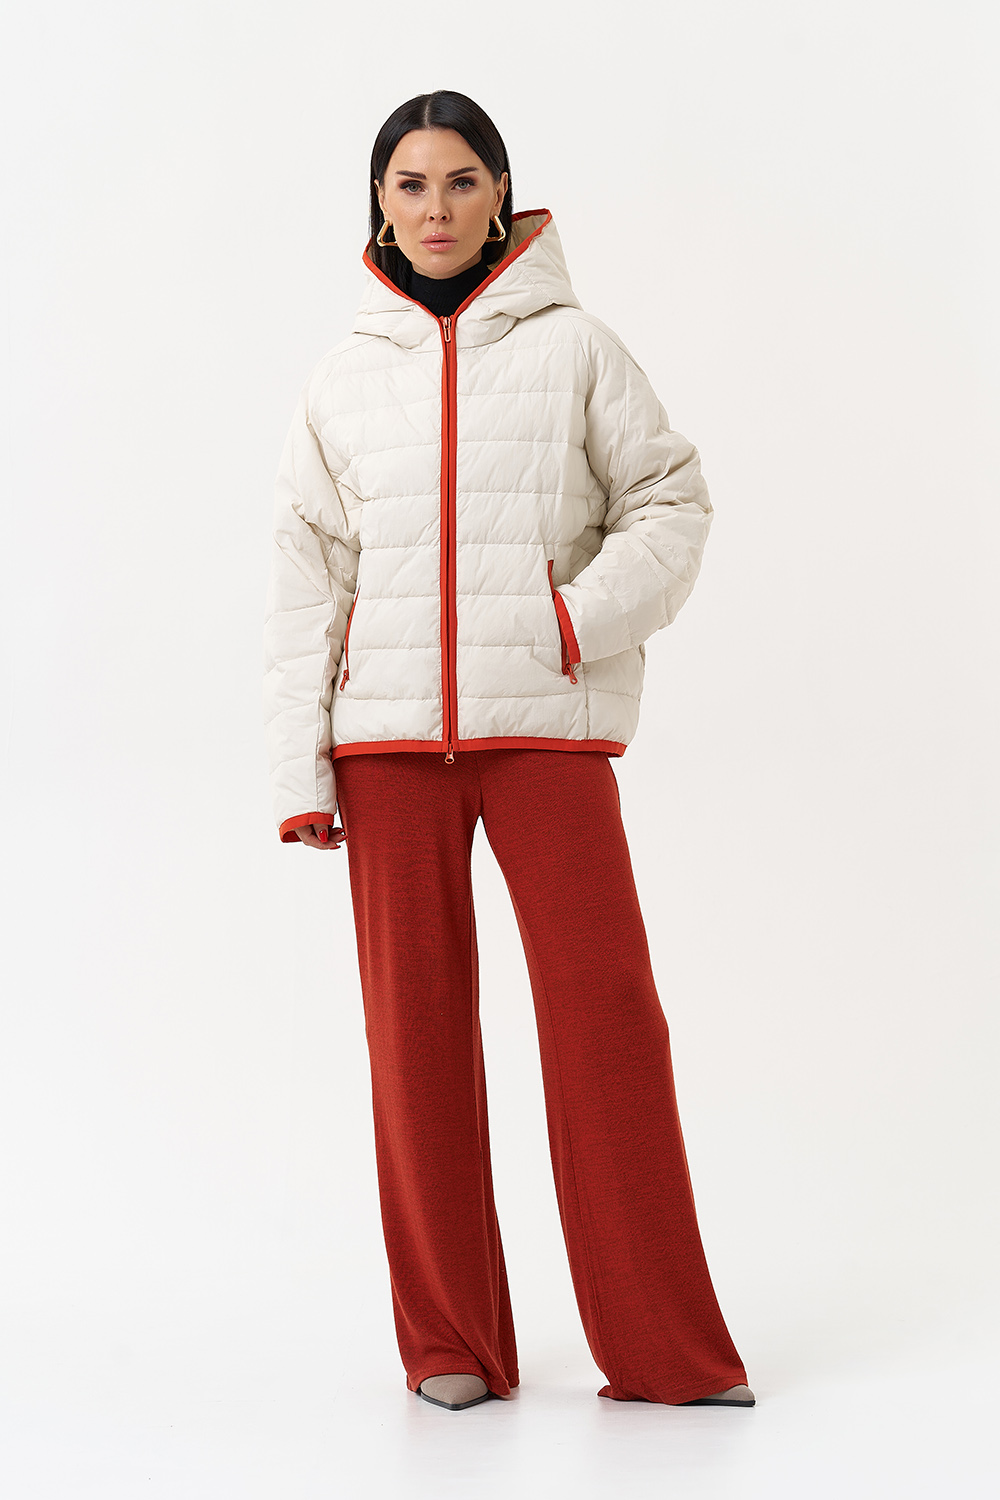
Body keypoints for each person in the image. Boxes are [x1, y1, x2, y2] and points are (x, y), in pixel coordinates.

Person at [262, 89, 754, 1414]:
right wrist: (302, 772)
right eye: (410, 184)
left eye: (461, 181)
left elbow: (671, 500)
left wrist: (570, 622)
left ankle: (664, 1352)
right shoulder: (341, 376)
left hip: (544, 728)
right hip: (385, 746)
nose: (436, 207)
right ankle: (450, 1343)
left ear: (500, 193)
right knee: (414, 1041)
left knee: (606, 1023)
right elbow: (306, 579)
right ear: (380, 205)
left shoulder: (577, 346)